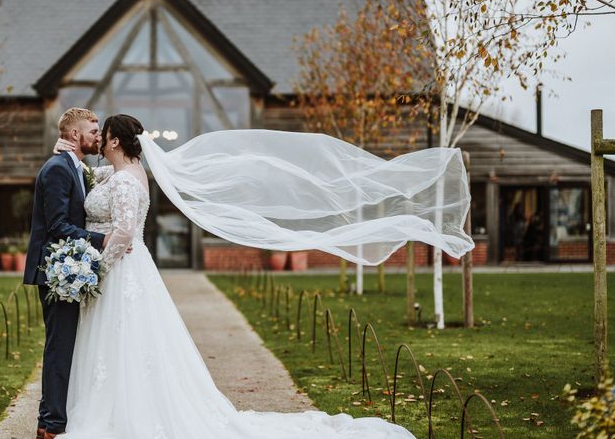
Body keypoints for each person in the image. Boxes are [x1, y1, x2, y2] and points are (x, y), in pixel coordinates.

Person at [50, 113, 417, 438]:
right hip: (127, 268)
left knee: (124, 339)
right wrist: (67, 152)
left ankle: (122, 414)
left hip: (121, 267)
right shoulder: (120, 173)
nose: (97, 140)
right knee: (119, 342)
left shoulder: (127, 181)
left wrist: (97, 268)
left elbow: (126, 233)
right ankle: (115, 405)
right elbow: (86, 175)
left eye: (102, 134)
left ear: (114, 140)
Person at [23, 107, 113, 439]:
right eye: (93, 131)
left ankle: (55, 419)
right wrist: (103, 239)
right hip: (56, 271)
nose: (98, 136)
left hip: (68, 267)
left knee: (67, 346)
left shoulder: (77, 167)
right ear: (74, 135)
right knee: (59, 346)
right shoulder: (58, 169)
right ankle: (49, 425)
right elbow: (58, 225)